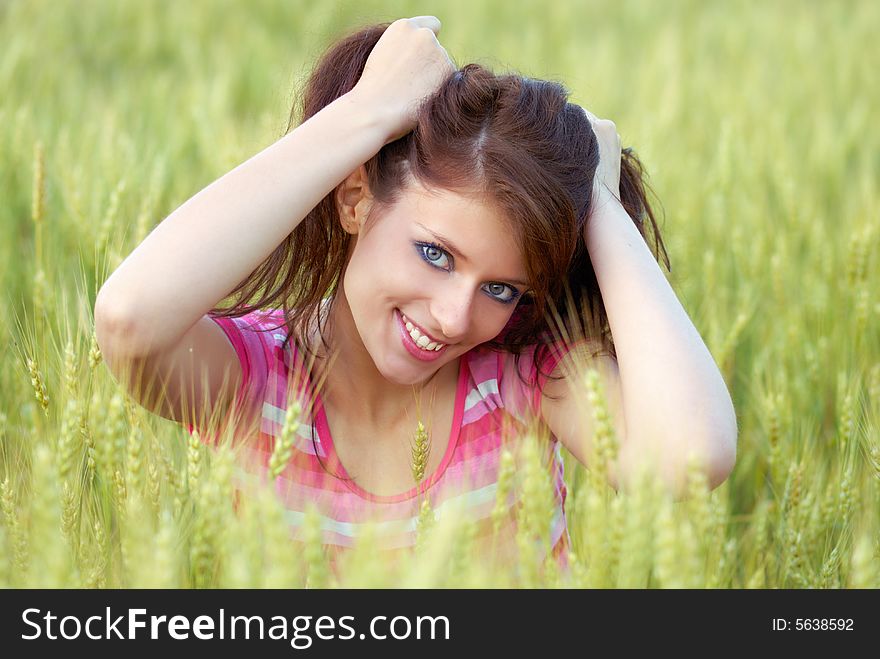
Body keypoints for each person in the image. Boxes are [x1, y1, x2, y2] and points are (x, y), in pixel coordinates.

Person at [94, 17, 737, 574]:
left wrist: (597, 200)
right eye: (435, 254)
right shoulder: (253, 383)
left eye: (502, 288)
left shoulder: (520, 378)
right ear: (355, 199)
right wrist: (365, 112)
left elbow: (691, 456)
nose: (458, 316)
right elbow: (128, 321)